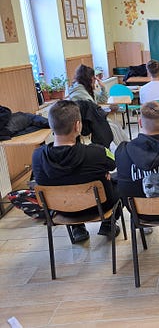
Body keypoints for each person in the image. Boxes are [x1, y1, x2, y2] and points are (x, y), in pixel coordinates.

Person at [32, 100, 120, 243]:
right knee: (118, 180)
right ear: (78, 126)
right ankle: (108, 222)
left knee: (66, 181)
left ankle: (77, 228)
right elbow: (113, 163)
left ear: (51, 125)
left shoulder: (37, 156)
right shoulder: (97, 152)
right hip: (98, 208)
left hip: (61, 209)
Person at [67, 64, 129, 147]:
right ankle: (124, 148)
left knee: (116, 125)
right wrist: (106, 110)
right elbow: (91, 110)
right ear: (89, 79)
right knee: (113, 128)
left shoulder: (85, 89)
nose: (95, 80)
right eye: (93, 78)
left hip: (93, 119)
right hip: (86, 123)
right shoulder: (79, 94)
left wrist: (103, 87)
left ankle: (127, 146)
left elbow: (102, 100)